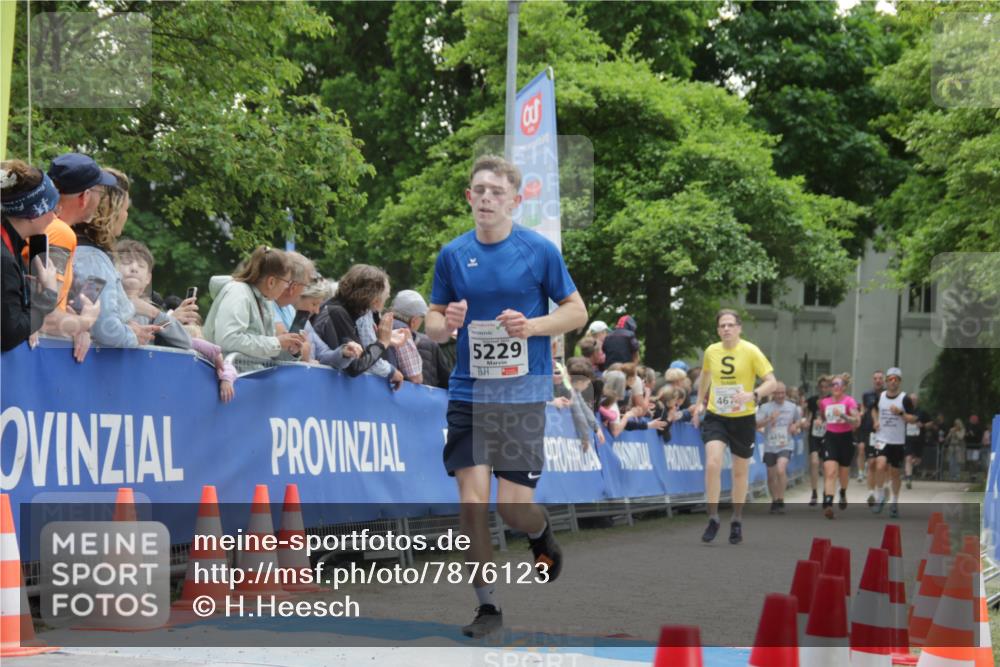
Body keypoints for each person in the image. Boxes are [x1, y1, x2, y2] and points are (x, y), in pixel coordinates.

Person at [425, 155, 587, 638]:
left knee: (511, 510)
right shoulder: (452, 255)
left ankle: (539, 533)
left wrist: (532, 326)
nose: (487, 198)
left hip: (521, 396)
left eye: (497, 191)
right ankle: (487, 607)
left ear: (515, 199)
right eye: (480, 190)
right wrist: (445, 324)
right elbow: (431, 323)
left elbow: (576, 311)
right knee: (472, 503)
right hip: (469, 392)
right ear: (468, 198)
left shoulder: (538, 251)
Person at [690, 309, 777, 545]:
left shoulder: (751, 351)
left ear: (739, 328)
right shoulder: (711, 351)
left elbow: (772, 382)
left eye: (730, 325)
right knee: (712, 463)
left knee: (740, 472)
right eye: (722, 326)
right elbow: (706, 377)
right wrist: (699, 404)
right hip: (717, 415)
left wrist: (753, 394)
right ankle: (713, 517)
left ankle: (737, 519)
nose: (726, 329)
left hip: (743, 417)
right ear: (718, 330)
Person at [29, 153, 116, 361]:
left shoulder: (42, 224)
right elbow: (44, 317)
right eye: (100, 193)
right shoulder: (59, 233)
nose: (100, 201)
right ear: (85, 196)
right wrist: (84, 322)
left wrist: (76, 326)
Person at [71, 167, 165, 348]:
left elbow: (84, 308)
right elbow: (104, 328)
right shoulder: (94, 262)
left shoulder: (77, 248)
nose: (126, 215)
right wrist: (133, 335)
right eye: (125, 209)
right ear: (110, 213)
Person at [1, 160, 69, 351]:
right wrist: (47, 296)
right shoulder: (4, 259)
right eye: (52, 209)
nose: (54, 217)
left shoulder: (11, 246)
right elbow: (10, 334)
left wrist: (30, 319)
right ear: (33, 213)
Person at [202, 246, 306, 361]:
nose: (287, 286)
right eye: (287, 282)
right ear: (271, 282)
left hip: (248, 373)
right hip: (227, 375)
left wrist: (289, 349)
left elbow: (266, 355)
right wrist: (276, 342)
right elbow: (228, 339)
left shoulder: (266, 301)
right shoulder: (238, 293)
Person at [311, 264, 404, 385]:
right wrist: (382, 343)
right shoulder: (337, 312)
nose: (387, 298)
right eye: (385, 297)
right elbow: (355, 366)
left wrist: (385, 339)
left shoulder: (347, 311)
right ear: (374, 300)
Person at [114, 240, 192, 350]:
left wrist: (155, 313)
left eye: (141, 266)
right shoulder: (102, 302)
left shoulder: (152, 314)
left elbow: (185, 341)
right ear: (112, 269)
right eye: (126, 262)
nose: (134, 268)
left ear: (148, 278)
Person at [871, 367, 917, 518]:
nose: (892, 382)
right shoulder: (881, 396)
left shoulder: (905, 399)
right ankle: (879, 498)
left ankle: (894, 503)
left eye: (895, 379)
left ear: (899, 382)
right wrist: (876, 421)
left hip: (897, 441)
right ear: (886, 381)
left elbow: (913, 418)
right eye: (890, 379)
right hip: (882, 439)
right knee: (880, 464)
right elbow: (874, 410)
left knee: (895, 473)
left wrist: (901, 413)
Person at [817, 374, 861, 519]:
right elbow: (823, 417)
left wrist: (843, 416)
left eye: (838, 384)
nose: (835, 387)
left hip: (846, 439)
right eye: (833, 384)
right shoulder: (824, 402)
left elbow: (857, 422)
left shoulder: (849, 401)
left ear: (844, 387)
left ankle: (842, 491)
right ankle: (829, 504)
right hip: (830, 437)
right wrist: (819, 421)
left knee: (843, 473)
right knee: (830, 472)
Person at [755, 381, 801, 514]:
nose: (781, 395)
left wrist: (795, 426)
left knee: (781, 469)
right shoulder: (765, 407)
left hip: (786, 444)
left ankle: (781, 499)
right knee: (771, 476)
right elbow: (756, 425)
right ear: (773, 394)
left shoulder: (792, 407)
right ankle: (774, 500)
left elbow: (799, 420)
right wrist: (770, 419)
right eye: (778, 393)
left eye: (783, 393)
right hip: (770, 445)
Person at [804, 375, 832, 507]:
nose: (823, 389)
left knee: (826, 465)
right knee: (814, 462)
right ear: (818, 388)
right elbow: (808, 415)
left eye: (826, 387)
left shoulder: (833, 400)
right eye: (821, 387)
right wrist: (808, 422)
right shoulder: (813, 400)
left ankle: (826, 492)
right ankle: (814, 492)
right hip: (814, 434)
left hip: (829, 434)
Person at [858, 370, 885, 502]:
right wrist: (860, 416)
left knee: (883, 464)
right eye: (875, 378)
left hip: (886, 433)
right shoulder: (867, 395)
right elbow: (863, 410)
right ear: (873, 380)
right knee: (872, 462)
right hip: (870, 431)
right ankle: (871, 493)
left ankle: (882, 488)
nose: (878, 380)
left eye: (880, 378)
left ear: (884, 380)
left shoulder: (887, 395)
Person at [903, 393, 932, 488]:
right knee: (908, 458)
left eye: (914, 400)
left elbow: (931, 423)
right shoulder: (904, 411)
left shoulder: (922, 412)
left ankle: (911, 468)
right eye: (911, 400)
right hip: (908, 438)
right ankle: (908, 478)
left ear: (917, 401)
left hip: (919, 439)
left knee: (917, 460)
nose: (912, 401)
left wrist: (923, 425)